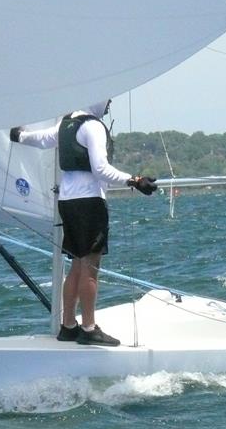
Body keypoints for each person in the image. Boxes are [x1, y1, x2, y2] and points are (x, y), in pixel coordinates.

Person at [10, 99, 157, 346]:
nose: (109, 104)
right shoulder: (93, 126)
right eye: (108, 100)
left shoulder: (66, 124)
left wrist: (19, 135)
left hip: (67, 201)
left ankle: (68, 326)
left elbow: (41, 139)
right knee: (91, 267)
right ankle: (88, 328)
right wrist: (135, 180)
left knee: (78, 265)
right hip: (88, 202)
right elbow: (100, 169)